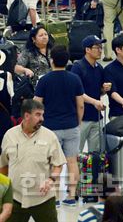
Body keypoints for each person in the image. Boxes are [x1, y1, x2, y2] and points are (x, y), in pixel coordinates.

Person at [32, 45, 83, 207]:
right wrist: (78, 121)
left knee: (54, 163)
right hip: (71, 126)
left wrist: (37, 124)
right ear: (67, 60)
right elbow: (80, 104)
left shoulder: (44, 80)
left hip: (50, 129)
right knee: (72, 161)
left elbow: (36, 104)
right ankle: (71, 196)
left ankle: (54, 197)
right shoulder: (74, 79)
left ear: (51, 60)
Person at [0, 99, 65, 221]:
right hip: (15, 198)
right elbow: (3, 166)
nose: (42, 119)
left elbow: (58, 164)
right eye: (38, 114)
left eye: (42, 114)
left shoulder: (50, 136)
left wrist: (51, 179)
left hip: (43, 199)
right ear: (26, 115)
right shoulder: (9, 135)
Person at [71, 36, 108, 154]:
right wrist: (94, 102)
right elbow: (77, 93)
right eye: (97, 47)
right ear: (87, 50)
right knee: (76, 152)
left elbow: (99, 92)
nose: (100, 50)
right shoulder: (78, 67)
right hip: (81, 118)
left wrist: (104, 89)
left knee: (96, 153)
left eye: (101, 47)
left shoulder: (99, 68)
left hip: (96, 117)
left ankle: (93, 173)